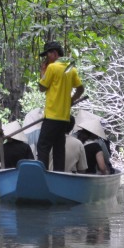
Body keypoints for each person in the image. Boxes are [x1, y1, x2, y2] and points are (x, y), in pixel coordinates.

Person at [36, 40, 85, 175]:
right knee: (59, 148)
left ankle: (42, 175)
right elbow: (81, 89)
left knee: (43, 146)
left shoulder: (52, 68)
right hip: (64, 117)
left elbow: (42, 87)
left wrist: (43, 71)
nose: (47, 58)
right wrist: (70, 101)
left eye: (48, 54)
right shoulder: (71, 69)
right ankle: (59, 175)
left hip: (52, 115)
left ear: (55, 53)